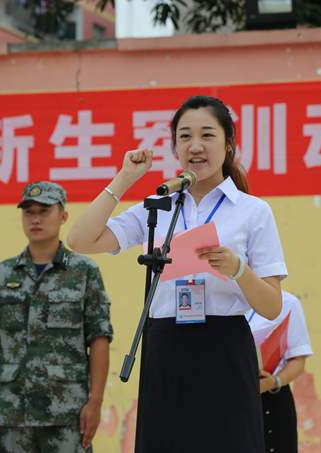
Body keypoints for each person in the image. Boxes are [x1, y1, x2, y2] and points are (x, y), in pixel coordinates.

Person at [67, 95, 288, 453]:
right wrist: (124, 179)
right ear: (174, 147)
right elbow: (80, 239)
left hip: (224, 348)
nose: (195, 146)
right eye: (184, 136)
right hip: (166, 346)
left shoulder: (252, 211)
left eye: (207, 135)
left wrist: (238, 270)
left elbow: (272, 305)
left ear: (228, 144)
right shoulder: (158, 207)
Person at [0, 181, 113, 453]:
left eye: (44, 211)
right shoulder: (2, 274)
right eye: (29, 212)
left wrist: (95, 402)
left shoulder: (83, 272)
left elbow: (99, 338)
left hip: (68, 412)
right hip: (13, 413)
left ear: (63, 216)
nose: (35, 219)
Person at [249, 290, 313, 453]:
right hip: (231, 396)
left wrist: (274, 382)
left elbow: (298, 360)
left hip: (271, 395)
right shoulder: (222, 299)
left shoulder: (288, 303)